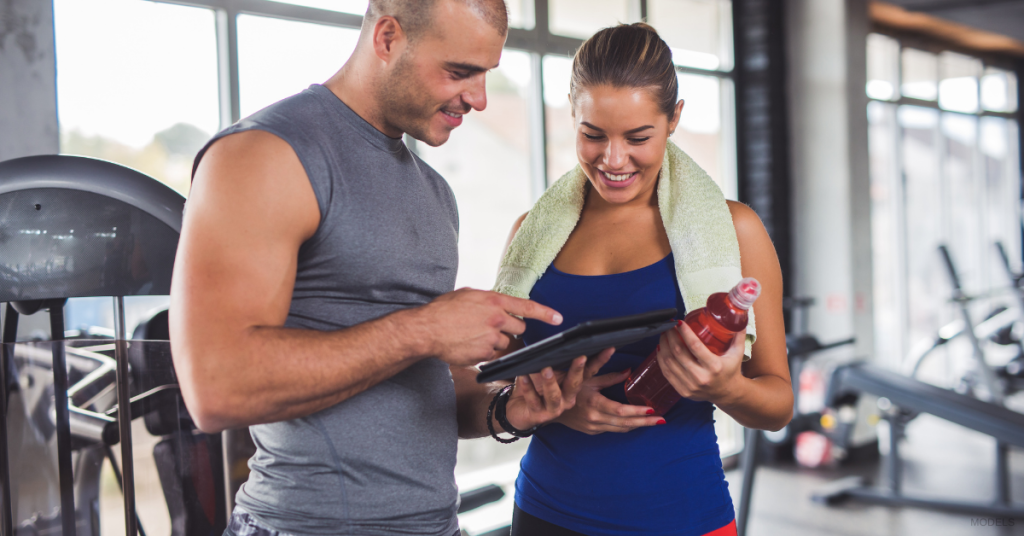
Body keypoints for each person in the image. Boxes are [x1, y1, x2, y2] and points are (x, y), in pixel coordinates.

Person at [169, 1, 606, 535]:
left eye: (486, 74)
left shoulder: (434, 193)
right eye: (459, 71)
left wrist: (508, 409)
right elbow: (215, 387)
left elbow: (433, 389)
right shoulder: (266, 154)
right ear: (387, 38)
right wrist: (423, 329)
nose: (479, 98)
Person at [493, 23, 794, 536]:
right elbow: (501, 373)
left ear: (673, 119)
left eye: (637, 137)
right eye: (593, 135)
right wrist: (557, 407)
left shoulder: (733, 230)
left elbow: (778, 404)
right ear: (572, 113)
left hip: (681, 516)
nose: (613, 160)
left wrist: (726, 386)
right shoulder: (530, 236)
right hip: (544, 513)